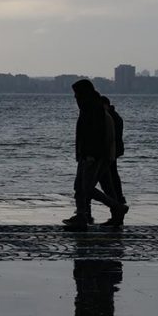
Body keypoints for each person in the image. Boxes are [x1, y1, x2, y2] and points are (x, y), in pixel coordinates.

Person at [63, 80, 128, 231]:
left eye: (76, 93)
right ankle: (81, 216)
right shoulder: (91, 107)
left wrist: (90, 154)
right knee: (80, 187)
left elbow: (93, 134)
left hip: (92, 155)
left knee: (86, 187)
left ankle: (116, 207)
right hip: (88, 154)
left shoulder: (92, 109)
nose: (75, 97)